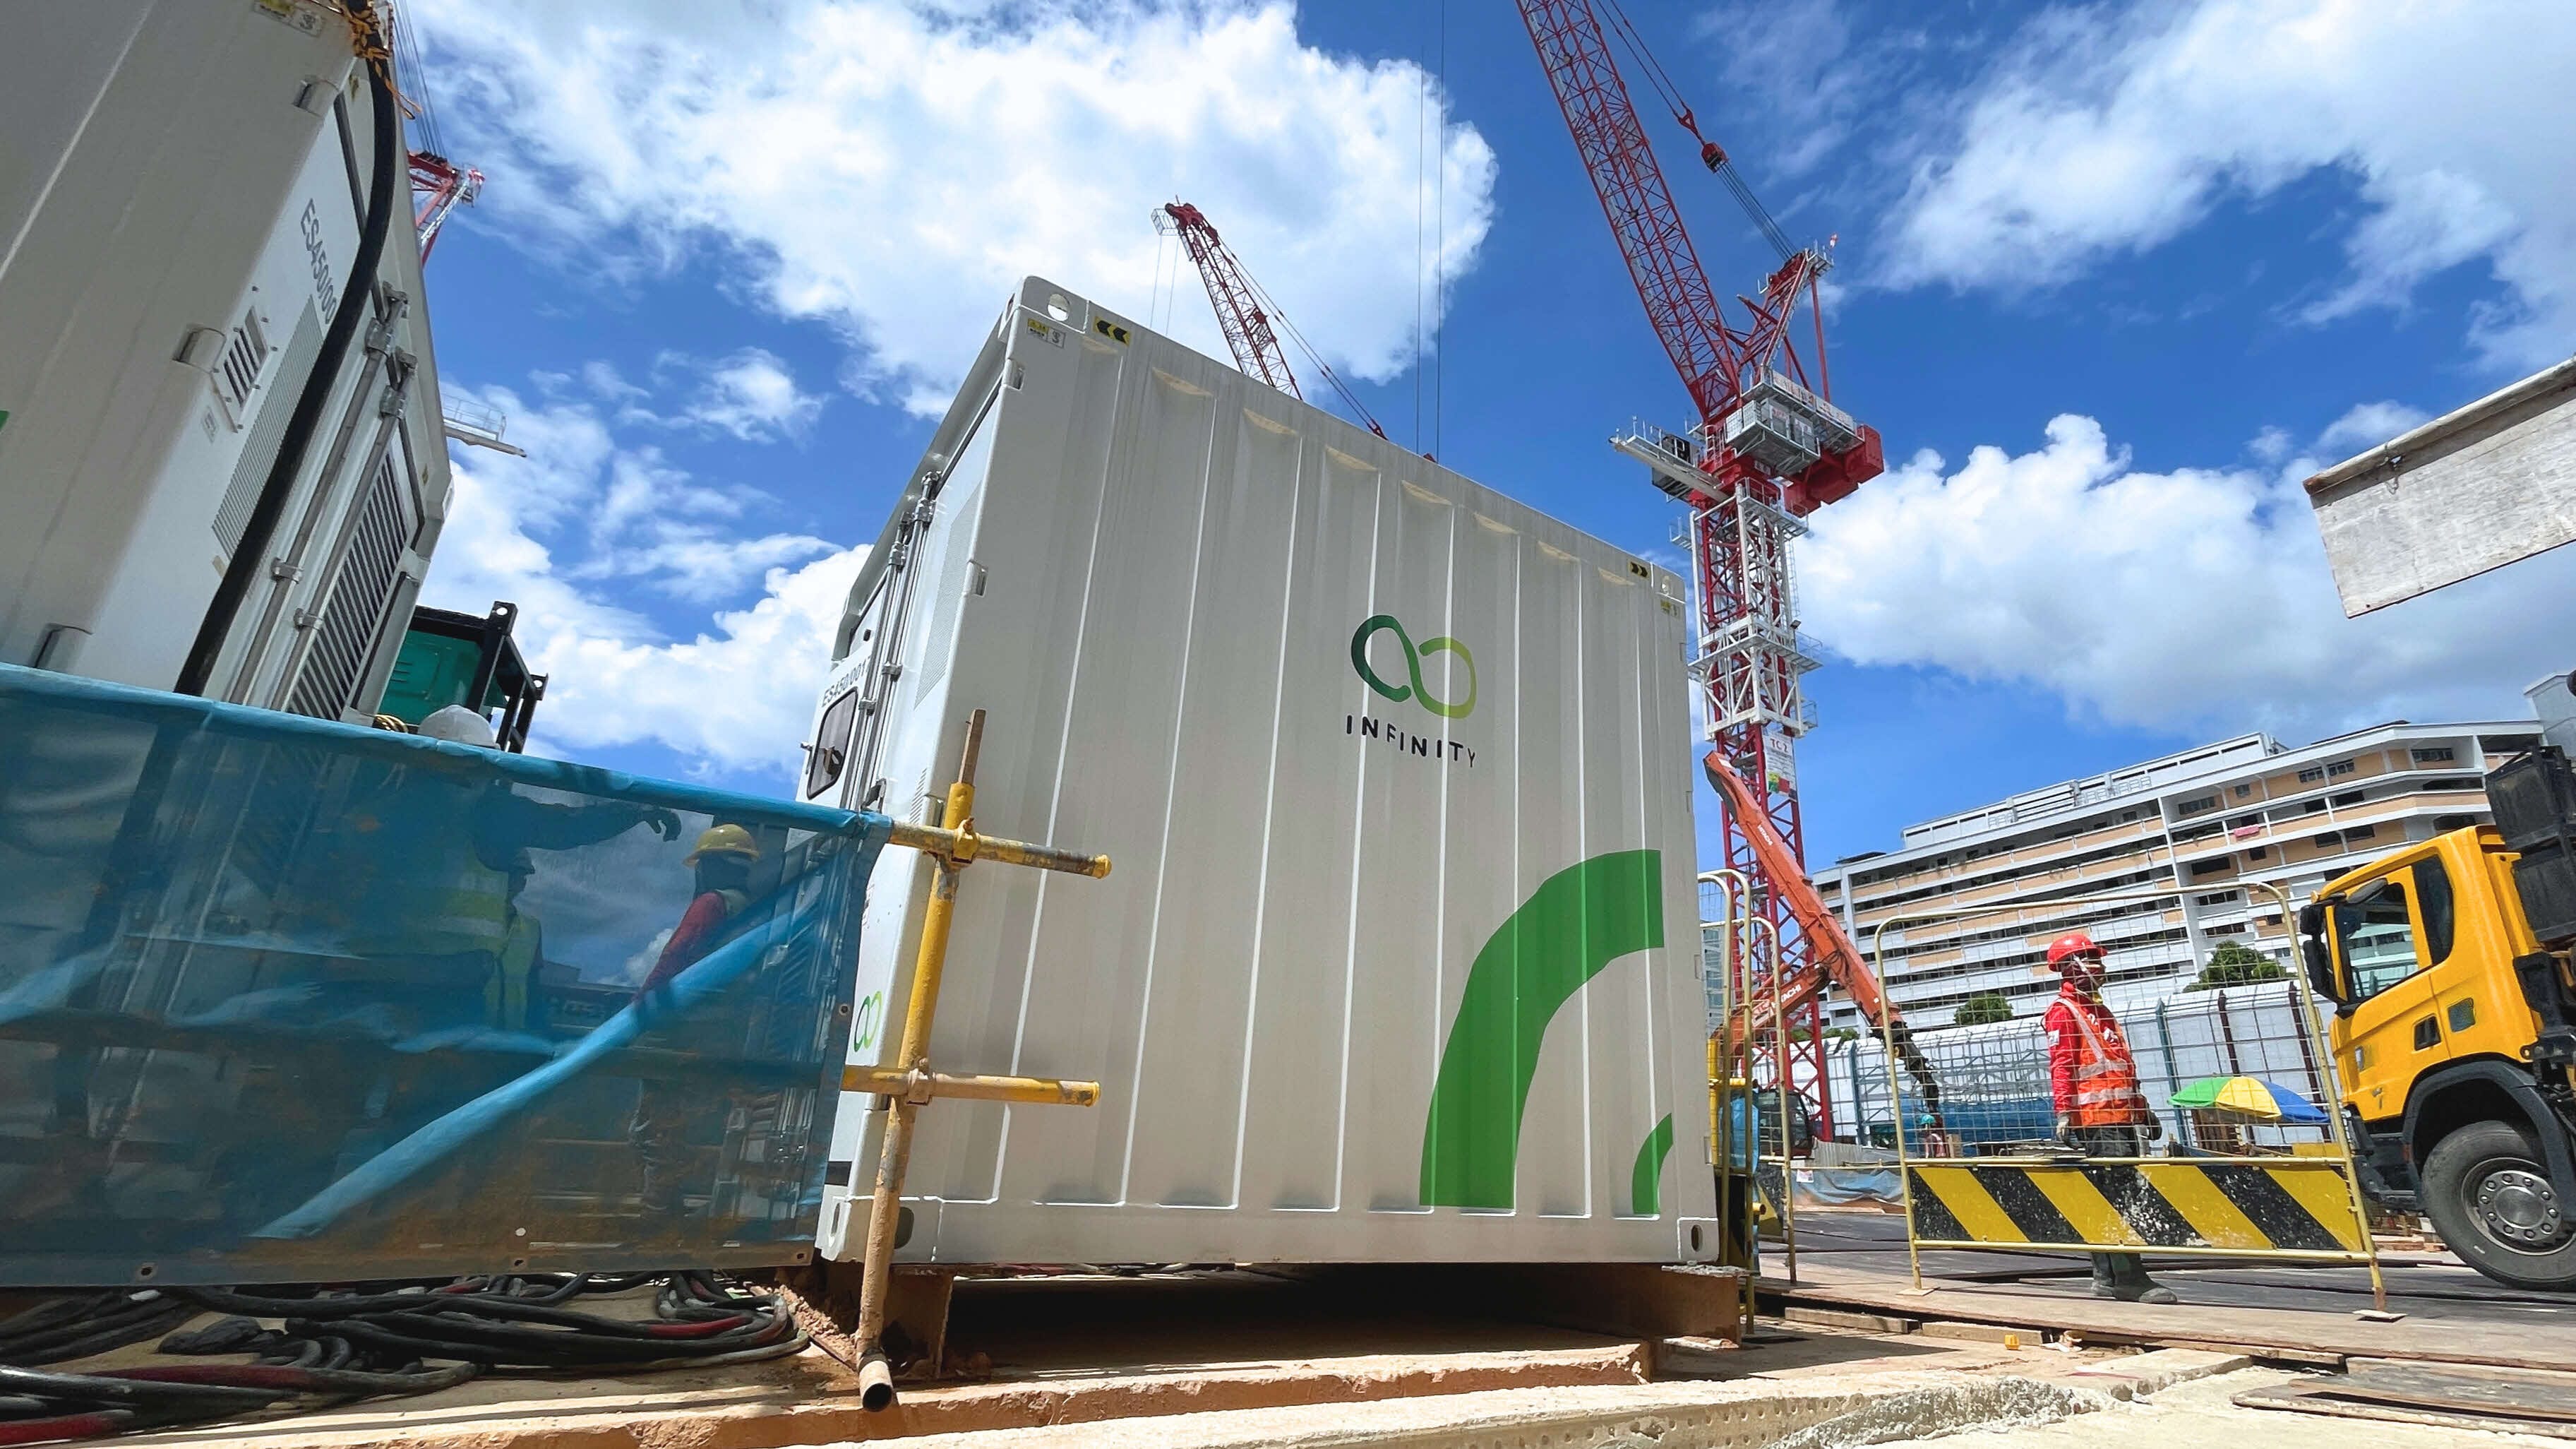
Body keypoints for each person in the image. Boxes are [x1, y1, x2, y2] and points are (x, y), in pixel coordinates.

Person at [628, 823, 761, 1212]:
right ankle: (685, 1195)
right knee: (697, 1113)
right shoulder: (755, 909)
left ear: (712, 866)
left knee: (656, 1118)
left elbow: (676, 955)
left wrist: (641, 1006)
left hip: (681, 1026)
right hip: (724, 1026)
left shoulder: (712, 904)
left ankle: (660, 1201)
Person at [2042, 931, 2178, 1305]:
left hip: (2120, 1119)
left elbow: (2118, 1068)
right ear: (2070, 967)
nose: (2100, 966)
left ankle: (2106, 1277)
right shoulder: (2063, 1012)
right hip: (2096, 1121)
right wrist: (2065, 1112)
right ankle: (2129, 1278)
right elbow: (2063, 1065)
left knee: (2112, 1195)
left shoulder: (2100, 1011)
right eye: (2091, 958)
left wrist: (2142, 1109)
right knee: (2119, 1198)